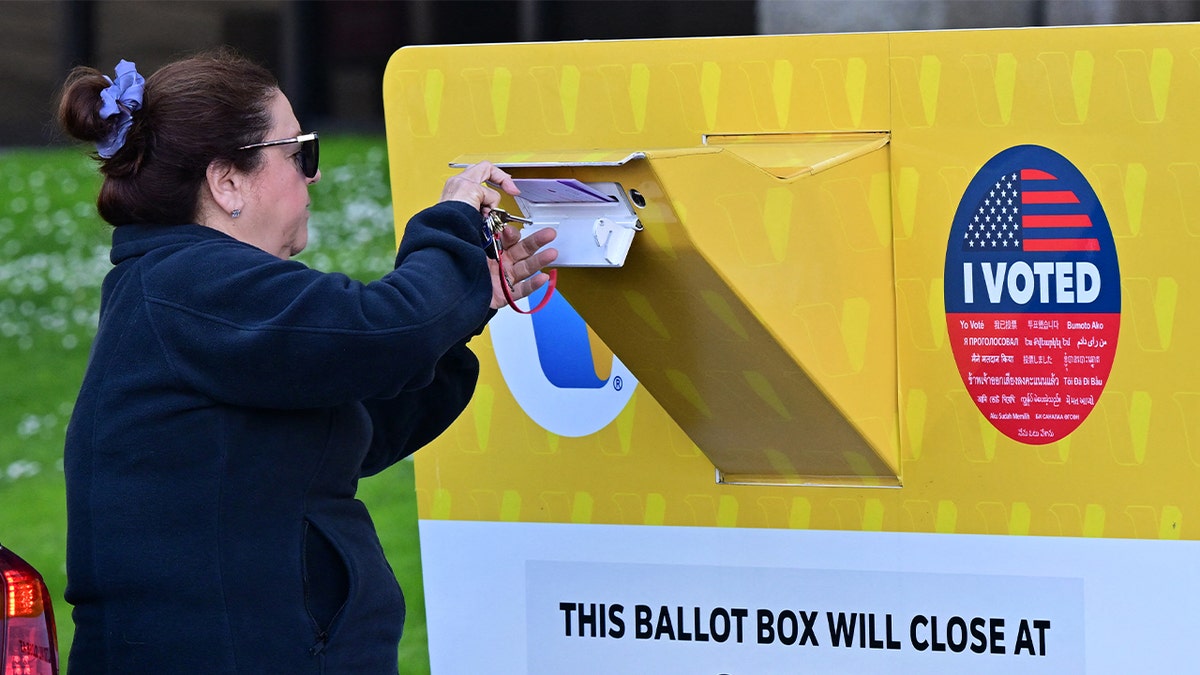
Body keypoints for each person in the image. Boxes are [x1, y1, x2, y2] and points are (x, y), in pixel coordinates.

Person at [55, 48, 556, 673]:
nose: (313, 175)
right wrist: (454, 225)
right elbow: (384, 330)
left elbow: (359, 421)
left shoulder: (187, 286)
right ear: (226, 181)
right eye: (299, 153)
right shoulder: (192, 284)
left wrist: (466, 305)